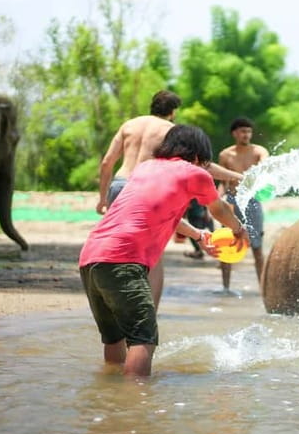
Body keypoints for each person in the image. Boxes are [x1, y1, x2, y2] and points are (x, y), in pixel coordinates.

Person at [80, 125, 249, 377]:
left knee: (114, 337)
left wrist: (199, 235)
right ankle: (135, 397)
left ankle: (110, 393)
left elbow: (162, 213)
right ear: (198, 155)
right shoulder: (195, 173)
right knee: (143, 338)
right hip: (124, 260)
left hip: (91, 258)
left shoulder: (145, 168)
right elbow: (219, 209)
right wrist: (239, 229)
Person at [96, 90, 244, 307]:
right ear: (173, 111)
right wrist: (237, 176)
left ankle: (117, 303)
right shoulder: (171, 131)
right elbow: (200, 164)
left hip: (118, 186)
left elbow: (107, 162)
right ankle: (149, 312)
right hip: (147, 189)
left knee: (118, 247)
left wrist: (102, 199)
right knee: (152, 256)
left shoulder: (129, 125)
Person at [217, 117, 269, 293]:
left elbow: (265, 163)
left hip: (252, 201)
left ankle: (263, 289)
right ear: (234, 133)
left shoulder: (259, 152)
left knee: (257, 247)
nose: (246, 135)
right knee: (226, 244)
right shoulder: (225, 155)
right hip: (232, 201)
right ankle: (225, 288)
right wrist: (215, 201)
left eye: (248, 131)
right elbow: (223, 183)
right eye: (242, 131)